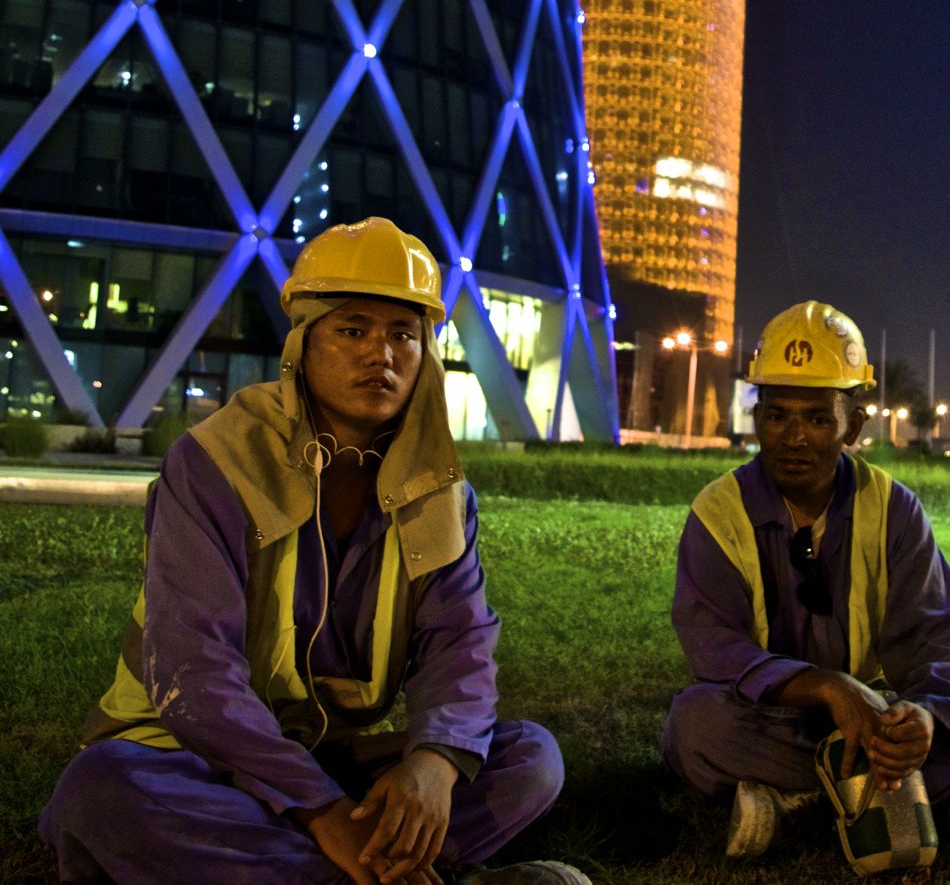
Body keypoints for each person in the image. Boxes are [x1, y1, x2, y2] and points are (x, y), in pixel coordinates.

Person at [41, 218, 588, 885]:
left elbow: (460, 643)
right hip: (196, 753)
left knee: (529, 759)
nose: (381, 354)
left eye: (403, 335)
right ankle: (404, 871)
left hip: (330, 751)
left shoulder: (442, 492)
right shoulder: (216, 462)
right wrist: (321, 809)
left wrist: (434, 762)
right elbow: (197, 674)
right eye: (352, 330)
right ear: (303, 344)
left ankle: (310, 866)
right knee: (103, 789)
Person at [661, 301, 950, 858]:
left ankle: (795, 806)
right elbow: (715, 649)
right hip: (778, 719)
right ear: (757, 417)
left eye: (817, 419)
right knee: (694, 726)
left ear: (853, 426)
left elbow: (941, 636)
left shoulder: (892, 508)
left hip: (881, 720)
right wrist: (827, 687)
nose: (794, 438)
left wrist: (925, 718)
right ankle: (918, 801)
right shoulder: (718, 513)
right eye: (777, 416)